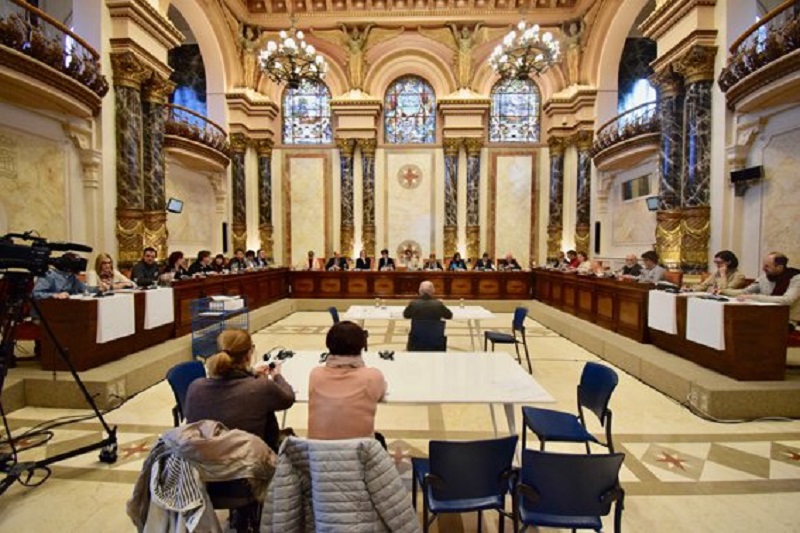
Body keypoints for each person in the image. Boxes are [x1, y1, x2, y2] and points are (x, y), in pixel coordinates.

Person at [184, 329, 295, 452]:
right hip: (250, 459)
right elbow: (288, 398)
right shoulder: (261, 387)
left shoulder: (196, 387)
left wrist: (252, 373)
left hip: (202, 459)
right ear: (248, 355)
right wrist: (277, 376)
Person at [307, 321, 386, 440]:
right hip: (360, 450)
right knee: (379, 438)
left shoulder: (315, 375)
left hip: (316, 450)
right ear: (361, 345)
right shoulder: (373, 376)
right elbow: (381, 395)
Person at [721, 252, 800, 326]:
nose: (763, 269)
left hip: (787, 320)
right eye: (763, 265)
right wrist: (722, 291)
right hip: (765, 315)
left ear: (780, 267)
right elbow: (745, 292)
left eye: (767, 266)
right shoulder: (764, 278)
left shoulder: (796, 278)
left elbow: (787, 300)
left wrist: (753, 297)